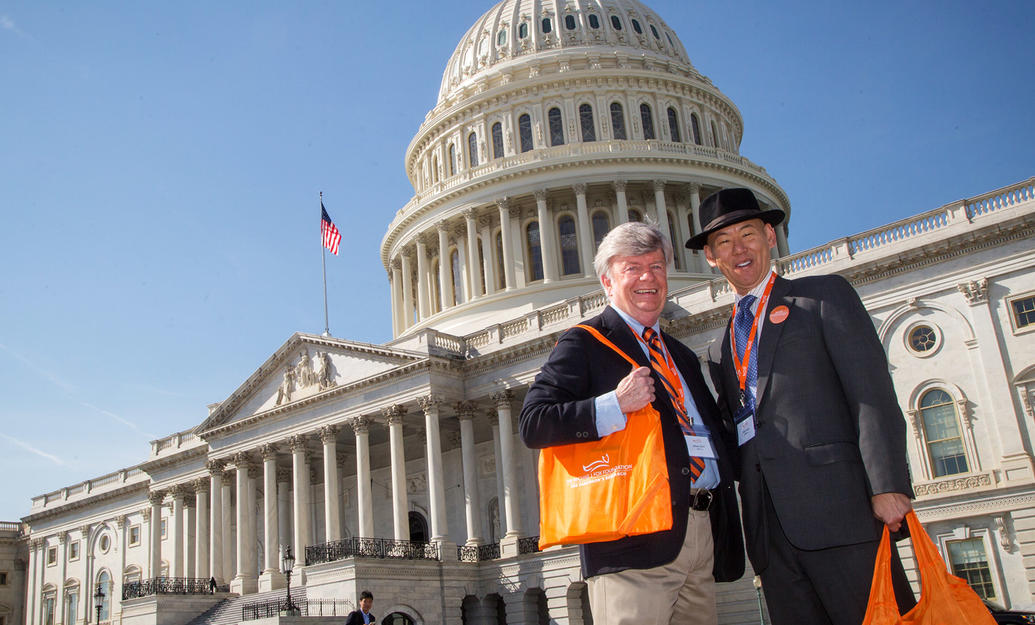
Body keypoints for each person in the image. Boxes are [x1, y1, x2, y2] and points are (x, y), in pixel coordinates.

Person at [686, 187, 915, 625]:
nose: (739, 250)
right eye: (724, 244)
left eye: (748, 234)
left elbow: (870, 394)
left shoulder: (821, 297)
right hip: (769, 533)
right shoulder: (719, 347)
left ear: (770, 237)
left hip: (841, 512)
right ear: (711, 259)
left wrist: (888, 485)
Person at [520, 221, 743, 625]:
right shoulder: (585, 342)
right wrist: (613, 405)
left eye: (657, 266)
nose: (648, 277)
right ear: (607, 281)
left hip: (699, 529)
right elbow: (534, 422)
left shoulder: (680, 354)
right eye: (633, 268)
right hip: (631, 538)